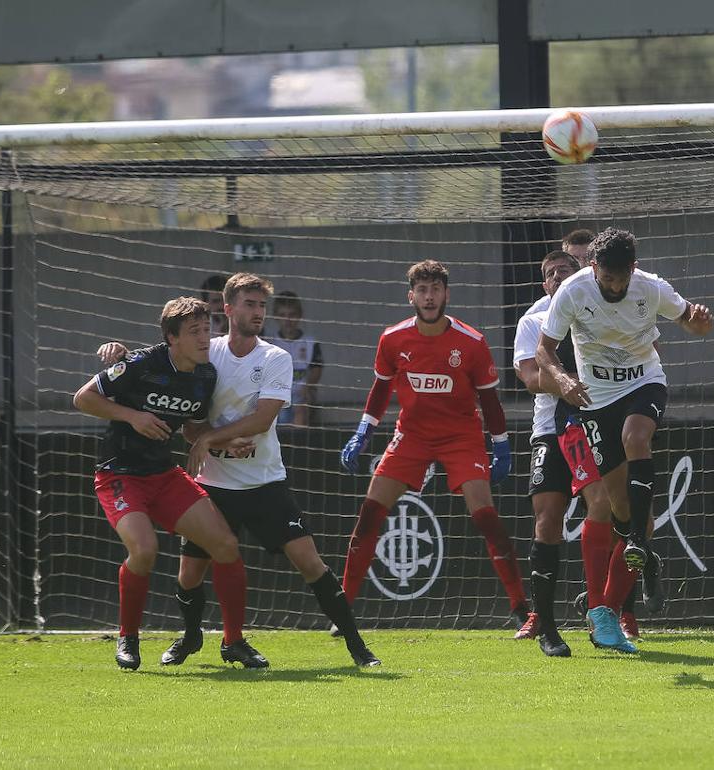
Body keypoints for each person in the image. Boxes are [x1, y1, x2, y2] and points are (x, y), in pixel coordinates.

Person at [100, 274, 380, 668]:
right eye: (249, 305)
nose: (258, 313)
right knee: (189, 575)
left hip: (264, 482)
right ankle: (192, 637)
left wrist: (207, 440)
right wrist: (122, 357)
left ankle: (358, 648)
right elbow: (182, 409)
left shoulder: (274, 358)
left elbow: (263, 419)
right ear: (228, 309)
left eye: (261, 306)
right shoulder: (204, 353)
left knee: (310, 562)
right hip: (212, 483)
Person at [536, 228, 713, 653]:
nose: (614, 287)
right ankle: (604, 613)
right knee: (624, 510)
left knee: (637, 436)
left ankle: (629, 554)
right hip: (594, 401)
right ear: (593, 267)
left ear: (632, 269)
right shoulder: (574, 292)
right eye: (607, 279)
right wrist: (563, 378)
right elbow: (544, 349)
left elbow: (690, 320)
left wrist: (699, 323)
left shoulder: (650, 288)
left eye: (621, 279)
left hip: (643, 385)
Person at [339, 259, 532, 633]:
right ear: (411, 295)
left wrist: (502, 446)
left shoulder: (471, 341)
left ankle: (522, 610)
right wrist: (363, 431)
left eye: (436, 290)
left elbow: (490, 402)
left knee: (487, 520)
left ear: (446, 294)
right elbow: (380, 389)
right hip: (411, 434)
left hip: (461, 436)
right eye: (422, 290)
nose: (429, 297)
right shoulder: (392, 339)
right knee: (369, 515)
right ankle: (343, 606)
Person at [74, 296, 251, 670]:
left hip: (164, 475)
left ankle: (234, 642)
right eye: (194, 332)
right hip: (120, 474)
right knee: (145, 550)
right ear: (172, 338)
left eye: (207, 329)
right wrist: (133, 416)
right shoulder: (140, 364)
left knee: (225, 544)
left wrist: (225, 441)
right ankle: (128, 638)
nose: (205, 338)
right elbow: (83, 397)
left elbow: (192, 427)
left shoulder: (205, 375)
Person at [513, 249, 623, 656]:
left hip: (598, 422)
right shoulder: (534, 320)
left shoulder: (598, 310)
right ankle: (546, 625)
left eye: (565, 270)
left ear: (580, 276)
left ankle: (609, 607)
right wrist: (567, 382)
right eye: (550, 273)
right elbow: (528, 378)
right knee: (548, 519)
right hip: (549, 429)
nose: (558, 276)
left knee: (613, 510)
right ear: (544, 285)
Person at [267, 290, 324, 427]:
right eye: (282, 315)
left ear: (299, 316)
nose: (287, 320)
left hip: (302, 393)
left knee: (300, 409)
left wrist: (308, 386)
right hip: (277, 393)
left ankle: (296, 444)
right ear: (275, 316)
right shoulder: (270, 342)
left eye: (292, 315)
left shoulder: (310, 342)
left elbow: (317, 368)